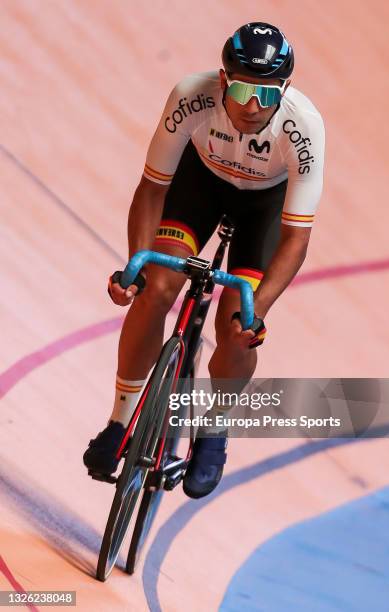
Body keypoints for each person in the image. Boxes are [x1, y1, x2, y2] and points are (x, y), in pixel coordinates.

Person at [83, 21, 325, 499]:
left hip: (264, 209)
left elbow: (296, 240)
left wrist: (259, 310)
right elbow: (152, 188)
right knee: (156, 288)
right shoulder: (191, 97)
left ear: (286, 92)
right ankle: (119, 420)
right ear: (220, 80)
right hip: (200, 185)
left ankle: (214, 433)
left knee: (237, 327)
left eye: (267, 95)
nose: (252, 106)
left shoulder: (305, 128)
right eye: (239, 89)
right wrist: (136, 266)